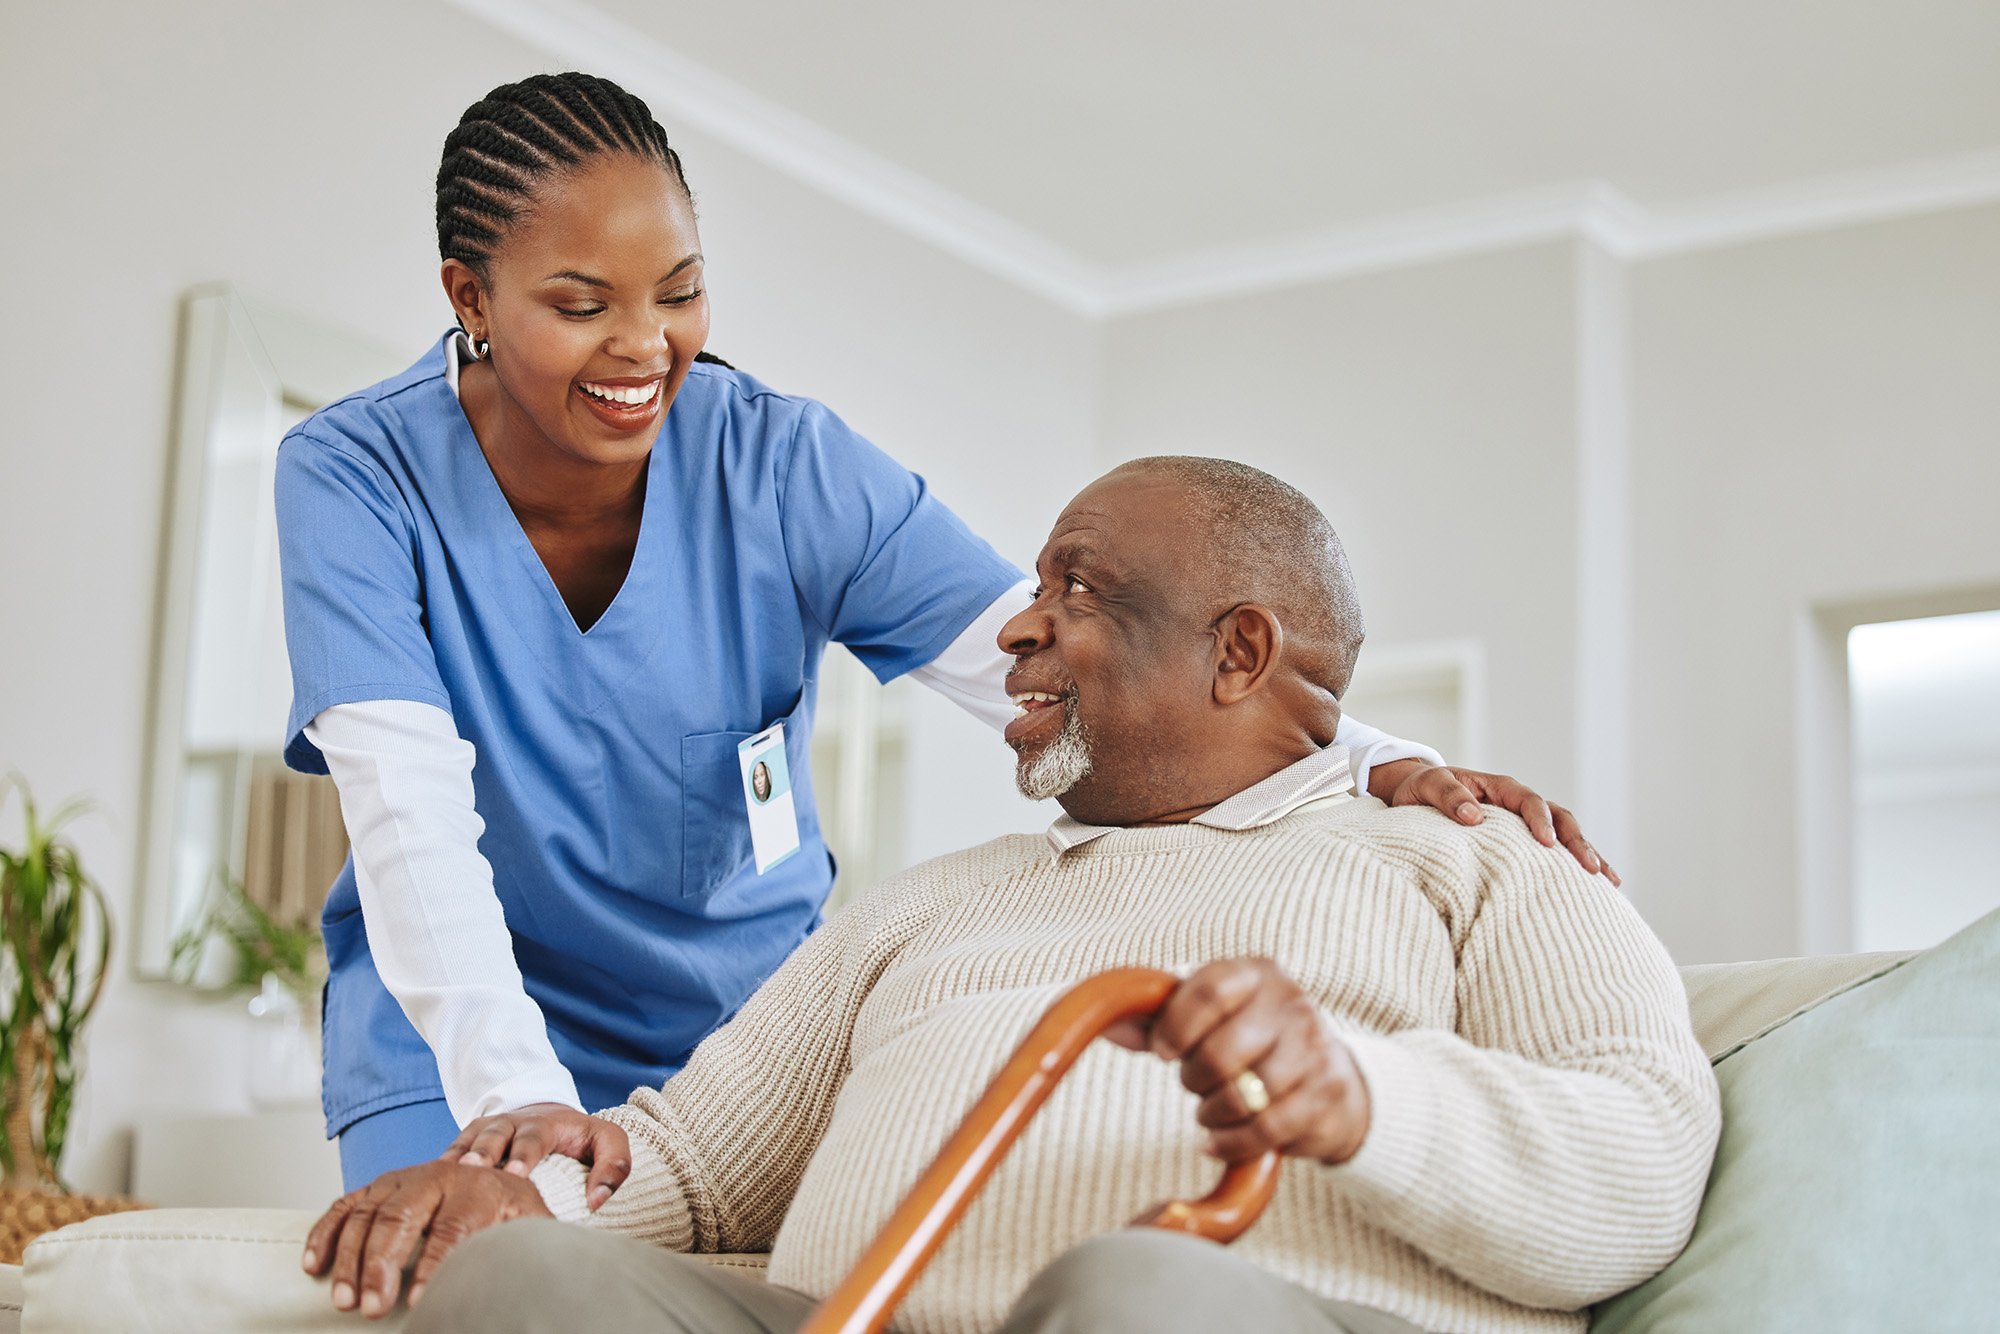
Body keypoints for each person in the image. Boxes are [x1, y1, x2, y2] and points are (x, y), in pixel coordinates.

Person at [276, 71, 1619, 1194]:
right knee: (468, 1276)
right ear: (468, 294)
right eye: (581, 305)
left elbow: (1048, 664)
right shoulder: (352, 478)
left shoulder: (782, 467)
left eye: (679, 292)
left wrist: (1362, 753)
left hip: (736, 1036)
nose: (646, 347)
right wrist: (516, 1098)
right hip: (456, 1023)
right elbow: (408, 820)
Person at [303, 457, 1718, 1334]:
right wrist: (508, 1196)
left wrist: (1362, 1096)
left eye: (1080, 589)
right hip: (850, 1317)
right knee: (521, 1287)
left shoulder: (1474, 856)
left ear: (1239, 652)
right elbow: (684, 1165)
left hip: (1234, 1312)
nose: (1020, 624)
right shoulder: (930, 904)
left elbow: (1646, 1162)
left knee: (1139, 1293)